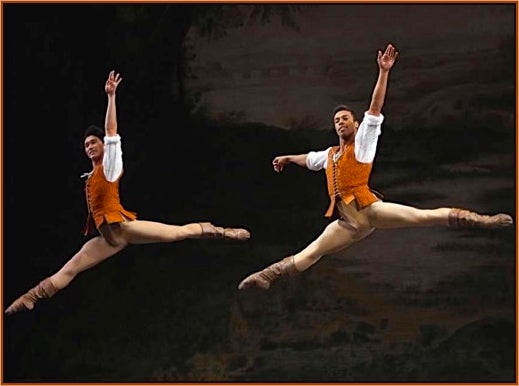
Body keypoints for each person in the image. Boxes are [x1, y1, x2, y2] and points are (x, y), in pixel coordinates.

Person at [237, 43, 513, 291]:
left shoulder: (364, 144)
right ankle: (266, 276)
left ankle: (481, 220)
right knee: (312, 252)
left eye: (345, 118)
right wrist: (286, 158)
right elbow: (308, 159)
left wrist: (383, 72)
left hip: (369, 210)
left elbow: (375, 107)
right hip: (348, 223)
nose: (341, 122)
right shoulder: (330, 155)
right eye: (336, 120)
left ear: (355, 124)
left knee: (423, 216)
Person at [5, 70, 250, 315]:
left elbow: (111, 131)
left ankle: (222, 232)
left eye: (94, 142)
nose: (89, 147)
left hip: (124, 229)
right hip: (109, 240)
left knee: (178, 233)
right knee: (70, 269)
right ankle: (30, 297)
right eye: (86, 145)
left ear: (103, 146)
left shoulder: (110, 168)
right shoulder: (89, 177)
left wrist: (111, 96)